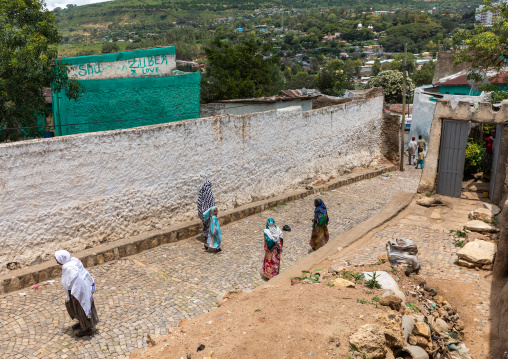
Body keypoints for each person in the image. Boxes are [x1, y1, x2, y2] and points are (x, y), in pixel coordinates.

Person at [55, 250, 99, 337]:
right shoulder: (72, 261)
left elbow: (77, 282)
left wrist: (77, 297)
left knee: (82, 308)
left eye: (57, 259)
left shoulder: (70, 268)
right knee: (72, 307)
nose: (56, 261)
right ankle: (81, 322)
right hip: (75, 291)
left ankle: (88, 329)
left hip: (78, 292)